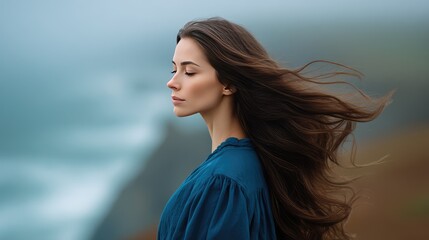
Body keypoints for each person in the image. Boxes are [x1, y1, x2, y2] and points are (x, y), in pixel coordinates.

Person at [158, 17, 393, 240]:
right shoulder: (251, 163)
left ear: (228, 83)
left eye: (189, 72)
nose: (173, 81)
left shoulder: (222, 182)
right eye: (174, 69)